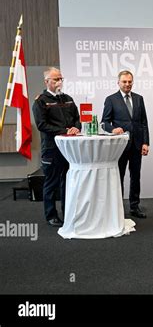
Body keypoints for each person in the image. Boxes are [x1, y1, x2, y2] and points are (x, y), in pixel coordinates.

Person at [32, 67, 81, 227]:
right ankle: (51, 215)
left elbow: (77, 118)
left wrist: (76, 128)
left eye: (61, 78)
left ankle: (68, 212)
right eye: (55, 79)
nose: (59, 82)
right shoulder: (41, 101)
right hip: (52, 149)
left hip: (70, 149)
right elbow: (41, 125)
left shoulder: (68, 98)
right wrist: (65, 131)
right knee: (51, 183)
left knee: (68, 182)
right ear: (47, 82)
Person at [101, 70, 150, 218]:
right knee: (119, 176)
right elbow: (104, 123)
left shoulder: (139, 99)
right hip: (120, 146)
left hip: (136, 144)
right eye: (124, 82)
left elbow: (143, 123)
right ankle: (118, 207)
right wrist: (113, 129)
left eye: (130, 82)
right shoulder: (111, 99)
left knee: (136, 176)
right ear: (118, 82)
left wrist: (146, 143)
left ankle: (134, 207)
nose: (127, 84)